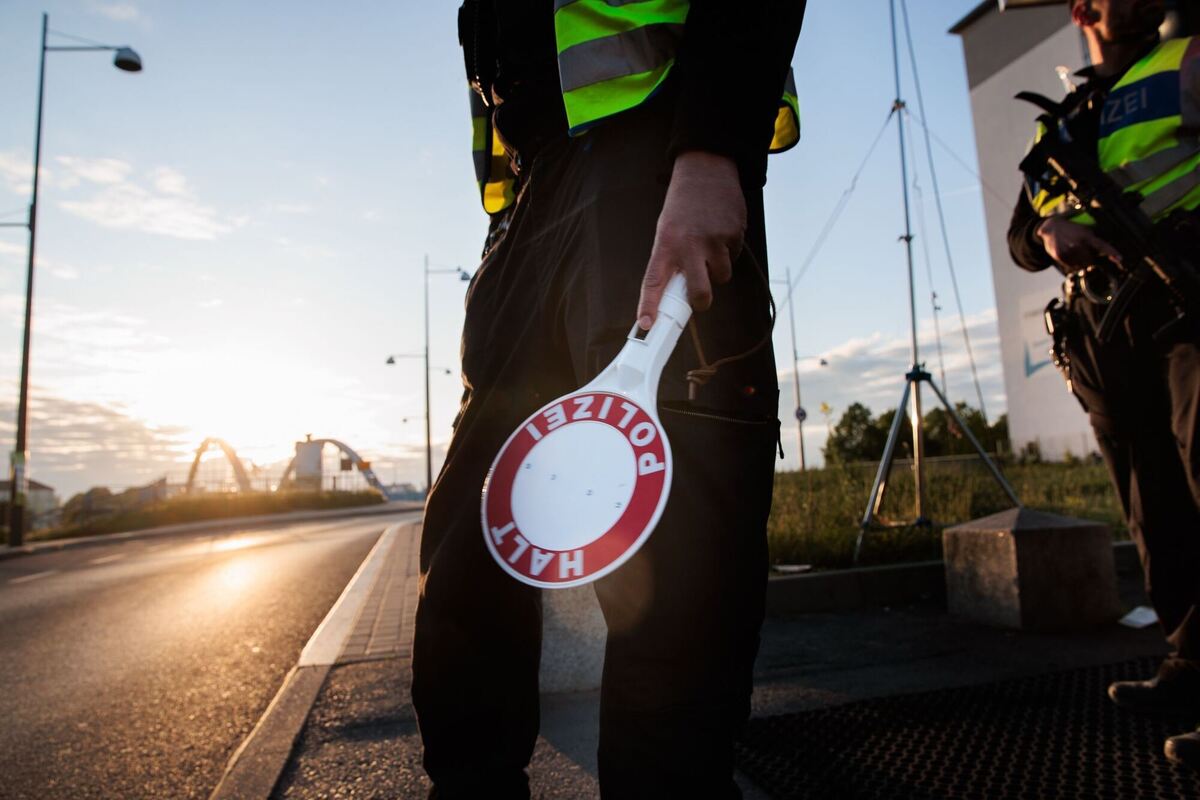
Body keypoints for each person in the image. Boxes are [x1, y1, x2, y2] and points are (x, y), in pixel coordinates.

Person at [411, 2, 806, 797]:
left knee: (675, 570)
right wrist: (507, 237)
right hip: (534, 205)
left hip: (655, 155)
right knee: (468, 553)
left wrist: (710, 150)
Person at [1008, 0, 1200, 771]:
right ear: (1083, 7)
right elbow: (1022, 235)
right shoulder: (1059, 120)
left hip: (1190, 296)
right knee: (1152, 500)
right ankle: (1191, 664)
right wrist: (1049, 233)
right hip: (1106, 332)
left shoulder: (1185, 58)